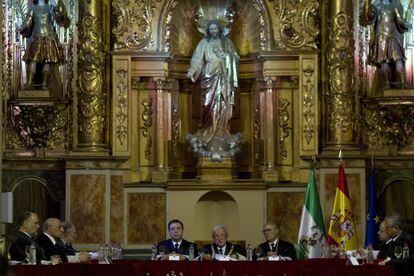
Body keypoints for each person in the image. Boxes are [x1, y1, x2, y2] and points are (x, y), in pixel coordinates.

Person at [186, 19, 240, 159]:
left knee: (223, 103)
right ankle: (207, 131)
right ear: (208, 31)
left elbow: (235, 57)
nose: (213, 31)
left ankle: (221, 131)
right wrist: (193, 71)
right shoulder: (204, 43)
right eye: (211, 29)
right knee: (207, 105)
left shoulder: (227, 43)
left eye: (216, 29)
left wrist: (226, 57)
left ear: (220, 30)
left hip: (223, 77)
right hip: (208, 75)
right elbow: (197, 59)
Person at [19, 0, 70, 89]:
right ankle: (30, 82)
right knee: (33, 59)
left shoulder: (50, 8)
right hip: (37, 37)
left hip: (49, 37)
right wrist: (19, 28)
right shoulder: (33, 8)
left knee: (48, 60)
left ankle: (45, 83)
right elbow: (27, 23)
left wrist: (56, 7)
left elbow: (58, 19)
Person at [363, 0, 412, 90]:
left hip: (392, 36)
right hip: (381, 37)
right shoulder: (376, 5)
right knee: (383, 62)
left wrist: (406, 24)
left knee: (398, 60)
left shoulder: (394, 5)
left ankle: (402, 82)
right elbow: (370, 19)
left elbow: (399, 19)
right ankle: (386, 83)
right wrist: (370, 13)